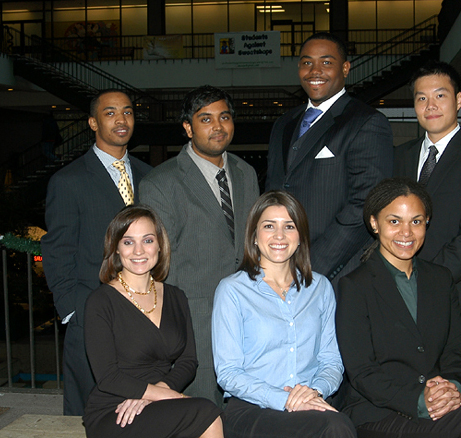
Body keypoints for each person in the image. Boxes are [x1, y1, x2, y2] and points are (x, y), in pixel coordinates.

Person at [335, 177, 461, 438]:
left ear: (427, 223)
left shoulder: (441, 279)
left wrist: (451, 388)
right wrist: (421, 401)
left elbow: (456, 350)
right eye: (394, 221)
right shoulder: (354, 286)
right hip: (378, 413)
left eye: (416, 221)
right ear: (375, 223)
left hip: (439, 407)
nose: (406, 232)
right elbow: (362, 372)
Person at [140, 85, 259, 405]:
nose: (217, 126)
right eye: (205, 119)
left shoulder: (246, 173)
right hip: (195, 322)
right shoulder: (161, 183)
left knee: (246, 408)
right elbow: (157, 265)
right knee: (201, 410)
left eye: (224, 117)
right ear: (188, 127)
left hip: (249, 317)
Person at [394, 61, 461, 398]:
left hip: (458, 305)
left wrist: (420, 280)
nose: (430, 106)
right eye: (421, 98)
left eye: (440, 96)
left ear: (458, 100)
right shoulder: (399, 158)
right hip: (403, 310)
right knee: (415, 405)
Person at [41, 89, 152, 416]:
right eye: (110, 113)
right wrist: (75, 312)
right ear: (92, 122)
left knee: (142, 418)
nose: (122, 120)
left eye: (128, 112)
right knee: (91, 418)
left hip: (145, 320)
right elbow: (58, 250)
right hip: (91, 318)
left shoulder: (152, 177)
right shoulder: (69, 181)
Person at [212, 191, 356, 438]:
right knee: (335, 427)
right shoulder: (232, 290)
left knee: (336, 425)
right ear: (254, 236)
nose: (279, 236)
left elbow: (331, 361)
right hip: (252, 408)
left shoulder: (320, 288)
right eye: (269, 226)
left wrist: (312, 393)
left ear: (300, 237)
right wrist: (287, 399)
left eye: (289, 226)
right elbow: (228, 373)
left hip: (310, 405)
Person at [266, 32, 393, 288]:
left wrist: (310, 266)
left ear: (345, 68)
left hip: (339, 273)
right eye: (306, 62)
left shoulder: (365, 122)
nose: (315, 71)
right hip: (281, 268)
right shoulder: (284, 124)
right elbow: (274, 192)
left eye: (326, 62)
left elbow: (365, 205)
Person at [84, 205, 223, 438]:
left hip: (159, 401)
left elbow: (188, 362)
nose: (139, 251)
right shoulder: (100, 301)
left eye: (147, 240)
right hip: (115, 410)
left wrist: (157, 394)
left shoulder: (176, 296)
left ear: (160, 245)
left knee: (206, 415)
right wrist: (164, 397)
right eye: (128, 242)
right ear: (116, 248)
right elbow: (108, 377)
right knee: (207, 413)